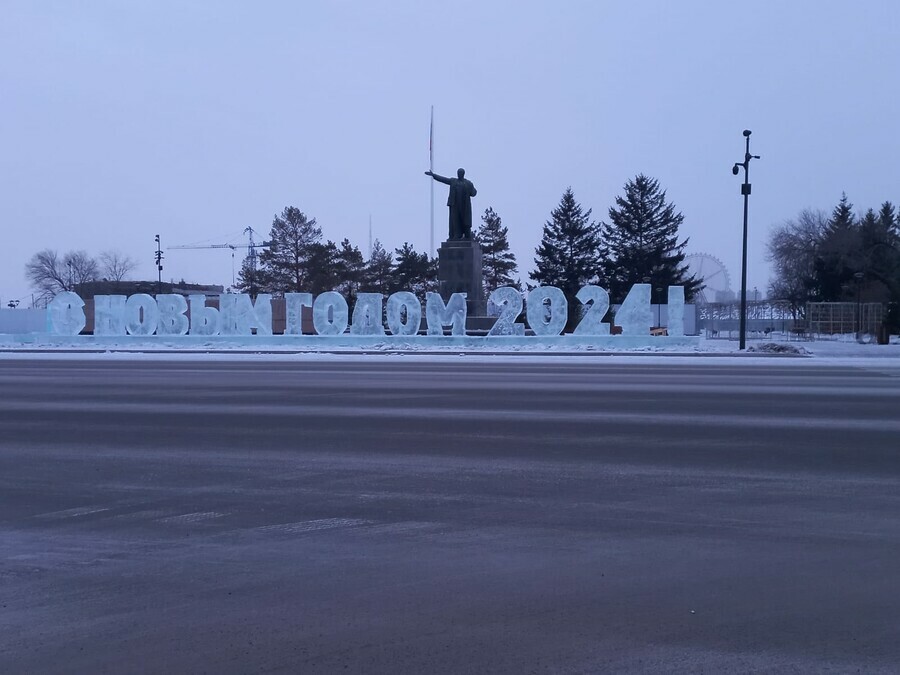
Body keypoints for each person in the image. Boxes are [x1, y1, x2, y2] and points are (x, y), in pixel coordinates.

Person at [425, 168, 477, 240]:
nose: (459, 174)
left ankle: (467, 235)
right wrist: (434, 175)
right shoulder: (453, 181)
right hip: (454, 205)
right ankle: (457, 234)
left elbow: (474, 193)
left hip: (465, 206)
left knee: (465, 221)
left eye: (460, 173)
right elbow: (444, 179)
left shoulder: (468, 183)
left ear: (463, 174)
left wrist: (471, 189)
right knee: (455, 221)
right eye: (458, 173)